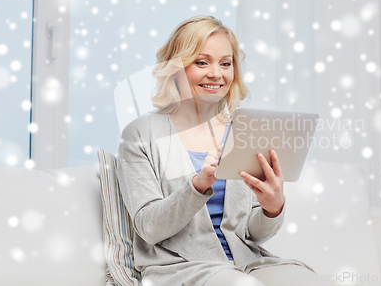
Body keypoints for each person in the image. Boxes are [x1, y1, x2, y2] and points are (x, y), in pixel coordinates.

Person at [116, 15, 322, 286]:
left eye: (226, 63)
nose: (216, 73)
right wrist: (197, 185)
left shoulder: (245, 130)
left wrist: (272, 209)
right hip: (181, 269)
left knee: (306, 280)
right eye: (202, 62)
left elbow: (251, 234)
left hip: (246, 264)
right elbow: (150, 229)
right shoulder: (141, 135)